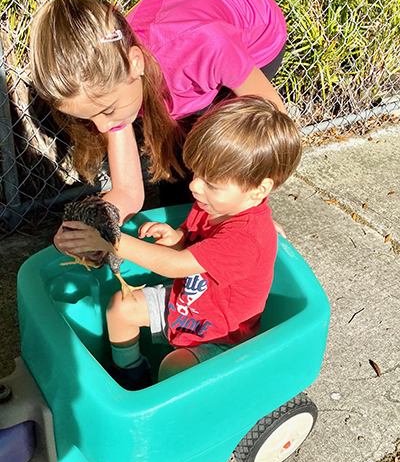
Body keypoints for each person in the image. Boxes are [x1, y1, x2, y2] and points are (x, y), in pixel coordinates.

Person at [56, 96, 302, 389]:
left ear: (258, 190)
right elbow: (190, 247)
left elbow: (176, 266)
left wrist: (112, 241)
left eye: (211, 183)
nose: (195, 186)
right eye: (196, 173)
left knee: (175, 366)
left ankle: (168, 410)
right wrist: (176, 238)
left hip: (219, 335)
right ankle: (131, 380)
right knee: (121, 307)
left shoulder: (247, 238)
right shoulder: (214, 205)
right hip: (187, 304)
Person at [30, 0, 288, 228]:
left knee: (218, 156)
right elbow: (128, 193)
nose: (102, 127)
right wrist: (92, 229)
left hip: (253, 32)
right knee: (180, 179)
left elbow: (270, 130)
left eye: (107, 112)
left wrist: (252, 216)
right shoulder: (109, 87)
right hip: (180, 52)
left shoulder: (206, 44)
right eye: (88, 117)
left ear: (135, 64)